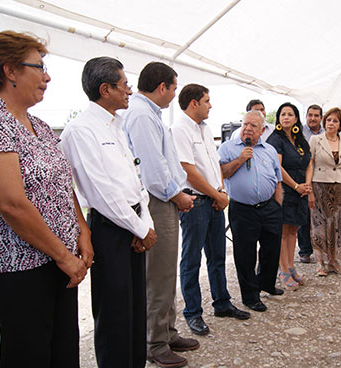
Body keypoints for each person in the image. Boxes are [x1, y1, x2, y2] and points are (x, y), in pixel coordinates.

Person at [0, 31, 91, 367]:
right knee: (31, 357)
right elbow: (11, 204)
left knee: (63, 354)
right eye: (39, 66)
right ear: (10, 71)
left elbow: (63, 185)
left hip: (58, 264)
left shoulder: (39, 125)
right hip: (18, 270)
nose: (47, 76)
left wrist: (83, 231)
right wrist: (65, 257)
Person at [61, 57, 157, 368]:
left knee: (133, 310)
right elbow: (100, 192)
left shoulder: (116, 125)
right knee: (114, 313)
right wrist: (140, 229)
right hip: (110, 227)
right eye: (125, 85)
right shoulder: (80, 130)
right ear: (105, 89)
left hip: (132, 223)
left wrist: (144, 224)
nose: (130, 91)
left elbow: (135, 181)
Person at [122, 62, 199, 368]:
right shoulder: (142, 115)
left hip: (164, 198)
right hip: (158, 200)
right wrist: (177, 195)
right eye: (174, 88)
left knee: (165, 274)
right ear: (162, 86)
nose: (174, 95)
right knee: (159, 275)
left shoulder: (148, 113)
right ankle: (154, 342)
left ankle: (167, 332)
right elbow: (153, 170)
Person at [171, 83, 250, 337]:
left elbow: (213, 165)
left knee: (217, 257)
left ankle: (222, 303)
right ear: (193, 103)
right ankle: (193, 313)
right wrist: (216, 194)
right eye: (207, 100)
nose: (210, 105)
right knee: (191, 260)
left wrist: (220, 190)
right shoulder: (179, 129)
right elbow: (188, 170)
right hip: (195, 204)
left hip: (214, 200)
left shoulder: (205, 129)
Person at [218, 110, 284, 312]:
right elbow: (222, 173)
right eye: (245, 124)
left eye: (253, 126)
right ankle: (250, 296)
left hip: (269, 208)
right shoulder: (228, 148)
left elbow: (277, 179)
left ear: (262, 130)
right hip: (243, 210)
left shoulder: (270, 150)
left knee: (271, 250)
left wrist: (278, 206)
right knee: (245, 255)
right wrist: (240, 159)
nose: (247, 128)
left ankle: (266, 284)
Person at [307, 107, 341, 276]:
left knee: (337, 225)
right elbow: (310, 165)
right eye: (328, 120)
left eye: (335, 121)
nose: (331, 123)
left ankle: (333, 260)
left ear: (340, 124)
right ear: (324, 122)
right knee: (319, 225)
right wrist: (310, 191)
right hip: (320, 185)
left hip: (340, 186)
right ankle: (320, 262)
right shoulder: (316, 140)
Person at [266, 102, 312, 290]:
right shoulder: (275, 139)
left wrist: (307, 185)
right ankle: (283, 270)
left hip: (301, 191)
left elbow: (309, 162)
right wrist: (295, 186)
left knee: (294, 230)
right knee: (283, 232)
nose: (286, 117)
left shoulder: (299, 138)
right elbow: (278, 167)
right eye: (282, 114)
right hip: (285, 190)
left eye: (290, 114)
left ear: (296, 118)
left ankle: (292, 267)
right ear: (278, 118)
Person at [298, 104, 324, 263]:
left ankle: (322, 250)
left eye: (316, 115)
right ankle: (305, 251)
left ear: (321, 117)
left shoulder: (327, 132)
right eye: (310, 115)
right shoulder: (299, 132)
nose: (312, 118)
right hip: (303, 178)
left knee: (322, 216)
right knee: (304, 217)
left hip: (323, 177)